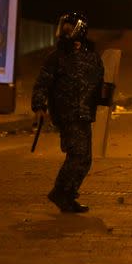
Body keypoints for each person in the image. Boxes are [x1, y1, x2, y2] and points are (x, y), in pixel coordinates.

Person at [32, 11, 107, 213]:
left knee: (85, 159)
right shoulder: (56, 58)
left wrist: (104, 96)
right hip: (67, 114)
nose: (64, 32)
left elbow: (99, 83)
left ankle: (68, 195)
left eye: (69, 28)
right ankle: (59, 192)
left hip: (84, 115)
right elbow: (42, 83)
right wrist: (39, 106)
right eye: (63, 28)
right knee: (77, 155)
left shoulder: (92, 58)